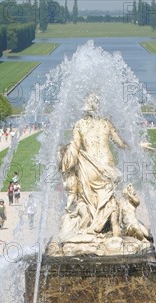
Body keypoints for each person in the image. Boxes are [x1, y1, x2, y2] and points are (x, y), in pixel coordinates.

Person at [59, 92, 127, 236]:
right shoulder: (106, 123)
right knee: (108, 202)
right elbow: (121, 144)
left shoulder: (79, 124)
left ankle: (91, 227)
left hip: (90, 168)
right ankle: (110, 231)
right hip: (108, 167)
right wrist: (137, 146)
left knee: (88, 200)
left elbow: (75, 148)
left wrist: (65, 162)